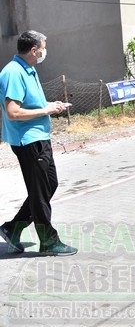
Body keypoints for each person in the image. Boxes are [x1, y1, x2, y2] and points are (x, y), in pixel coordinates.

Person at [0, 30, 78, 255]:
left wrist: (51, 104)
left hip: (39, 138)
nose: (45, 52)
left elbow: (30, 103)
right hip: (29, 141)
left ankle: (12, 228)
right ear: (34, 50)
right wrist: (47, 110)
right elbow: (12, 111)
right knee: (40, 192)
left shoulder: (28, 69)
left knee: (47, 186)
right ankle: (48, 241)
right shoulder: (13, 72)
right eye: (43, 48)